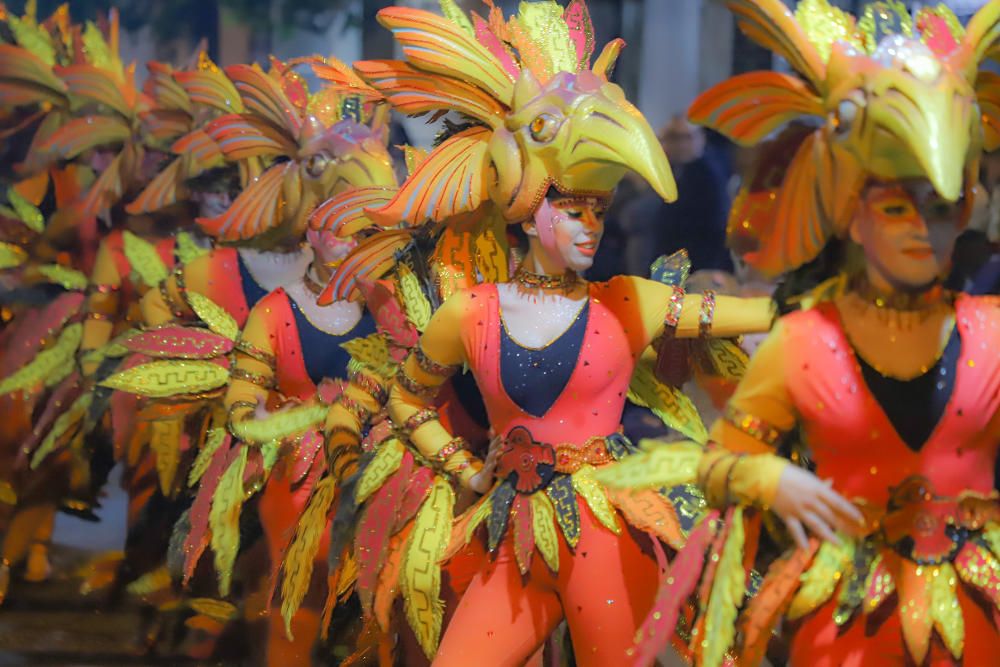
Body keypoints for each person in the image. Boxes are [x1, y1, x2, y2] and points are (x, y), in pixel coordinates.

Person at [332, 2, 776, 663]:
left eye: (598, 209)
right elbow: (405, 398)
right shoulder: (471, 311)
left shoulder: (633, 302)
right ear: (529, 209)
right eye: (571, 209)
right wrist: (464, 470)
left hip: (602, 534)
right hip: (510, 533)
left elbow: (765, 314)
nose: (590, 225)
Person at [600, 1, 1000, 664]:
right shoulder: (805, 341)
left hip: (975, 613)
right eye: (895, 207)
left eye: (937, 207)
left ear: (963, 210)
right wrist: (766, 477)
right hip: (843, 620)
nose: (918, 229)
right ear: (852, 214)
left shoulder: (990, 334)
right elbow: (717, 459)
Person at [622, 116, 733, 276]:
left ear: (701, 139)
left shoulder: (707, 175)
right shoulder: (671, 170)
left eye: (687, 137)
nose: (681, 145)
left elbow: (713, 229)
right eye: (674, 138)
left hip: (693, 269)